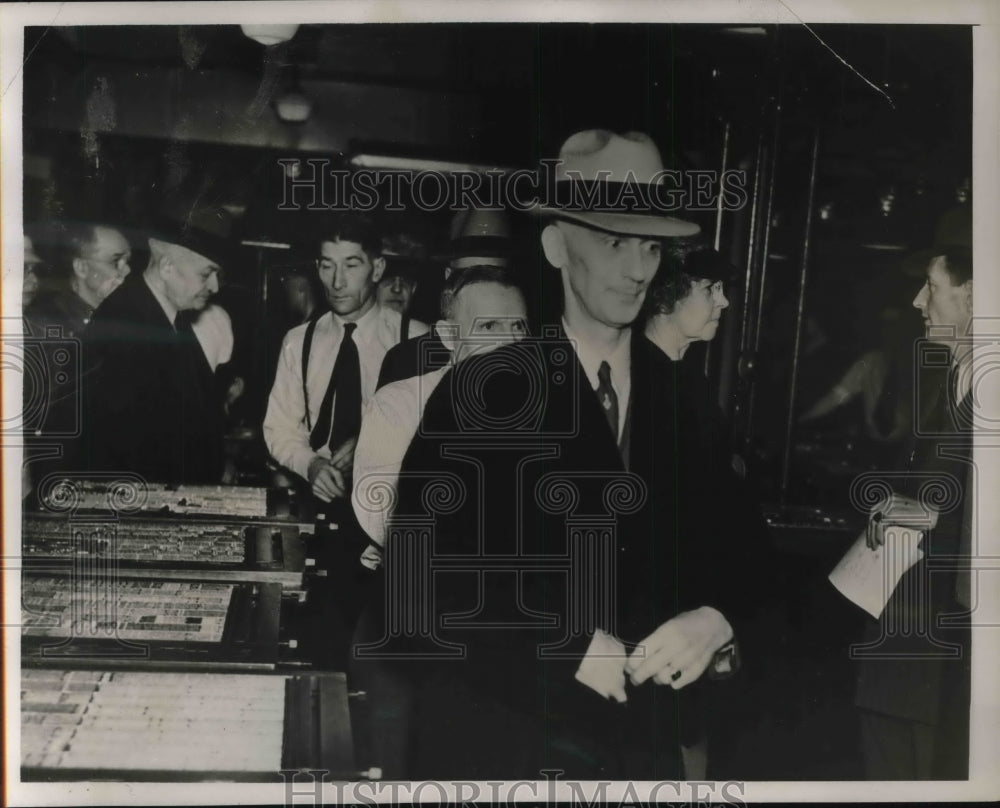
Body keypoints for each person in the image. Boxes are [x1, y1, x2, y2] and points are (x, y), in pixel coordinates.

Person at [380, 130, 745, 780]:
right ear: (555, 245)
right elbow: (420, 583)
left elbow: (742, 551)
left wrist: (717, 618)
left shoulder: (684, 397)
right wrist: (563, 647)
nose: (639, 269)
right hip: (499, 743)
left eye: (652, 247)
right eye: (613, 242)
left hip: (635, 750)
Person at [852, 244, 974, 780]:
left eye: (932, 286)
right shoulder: (957, 371)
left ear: (974, 296)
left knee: (920, 756)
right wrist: (915, 506)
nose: (918, 300)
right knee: (888, 733)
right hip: (914, 597)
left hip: (940, 606)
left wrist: (928, 516)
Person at [353, 263, 528, 567]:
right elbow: (380, 514)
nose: (511, 344)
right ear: (448, 336)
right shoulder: (399, 404)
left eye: (519, 327)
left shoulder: (552, 406)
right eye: (489, 327)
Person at [262, 214, 429, 505]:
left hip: (393, 505)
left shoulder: (416, 339)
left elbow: (433, 428)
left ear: (377, 269)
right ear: (317, 268)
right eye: (328, 266)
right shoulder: (298, 341)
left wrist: (372, 443)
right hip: (316, 498)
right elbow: (280, 427)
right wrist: (311, 465)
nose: (338, 281)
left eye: (351, 265)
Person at [78, 199, 231, 484]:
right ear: (167, 266)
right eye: (206, 273)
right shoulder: (124, 324)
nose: (214, 287)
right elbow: (125, 448)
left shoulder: (174, 317)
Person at [376, 208, 513, 388]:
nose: (483, 290)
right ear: (448, 277)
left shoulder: (518, 351)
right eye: (470, 277)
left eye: (493, 277)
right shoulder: (408, 359)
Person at [26, 223, 132, 340]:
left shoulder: (122, 316)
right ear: (81, 267)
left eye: (127, 261)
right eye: (116, 262)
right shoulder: (49, 326)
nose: (127, 270)